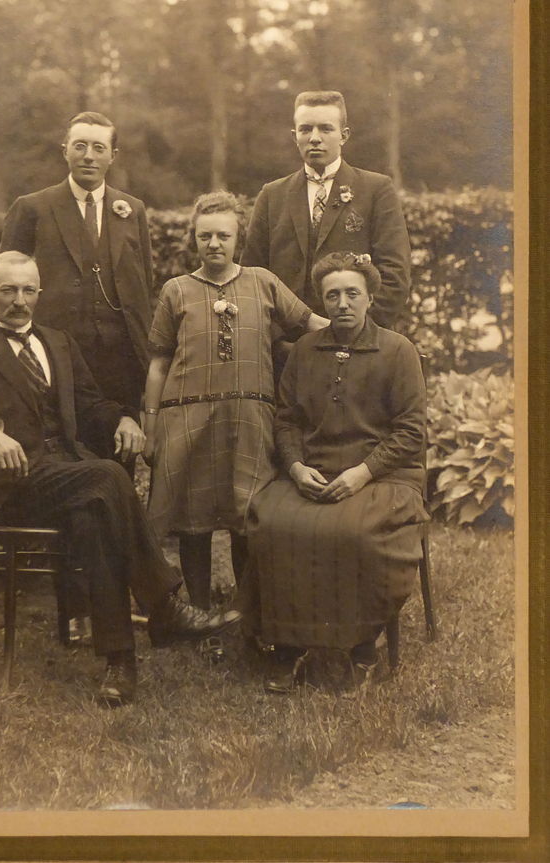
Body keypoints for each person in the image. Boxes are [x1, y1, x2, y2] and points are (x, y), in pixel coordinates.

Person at [0, 252, 236, 707]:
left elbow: (90, 404)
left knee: (96, 514)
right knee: (106, 476)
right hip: (11, 487)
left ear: (40, 294)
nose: (19, 301)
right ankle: (162, 607)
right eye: (7, 291)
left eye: (28, 290)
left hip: (67, 475)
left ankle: (119, 664)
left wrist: (124, 419)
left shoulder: (58, 343)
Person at [243, 251, 429, 693]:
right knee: (271, 522)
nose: (342, 303)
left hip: (385, 474)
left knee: (353, 534)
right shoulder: (306, 350)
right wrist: (294, 466)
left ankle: (362, 647)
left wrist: (364, 473)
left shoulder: (398, 351)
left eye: (352, 294)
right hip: (316, 468)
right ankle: (287, 645)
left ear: (369, 298)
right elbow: (286, 419)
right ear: (322, 302)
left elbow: (410, 432)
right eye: (332, 295)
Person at [142, 192, 329, 614]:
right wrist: (151, 427)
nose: (214, 244)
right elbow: (158, 363)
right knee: (193, 519)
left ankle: (245, 610)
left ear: (238, 237)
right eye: (204, 235)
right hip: (187, 418)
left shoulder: (262, 281)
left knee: (249, 512)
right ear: (193, 238)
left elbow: (310, 323)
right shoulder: (177, 291)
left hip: (249, 418)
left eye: (223, 236)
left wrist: (360, 333)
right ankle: (200, 608)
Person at [241, 90, 411, 375]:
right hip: (287, 355)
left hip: (358, 350)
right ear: (294, 135)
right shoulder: (272, 196)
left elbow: (395, 274)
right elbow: (251, 280)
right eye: (306, 129)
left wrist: (356, 332)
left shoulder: (375, 190)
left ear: (343, 135)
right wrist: (277, 340)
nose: (315, 137)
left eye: (325, 128)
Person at [0, 111, 152, 421]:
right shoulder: (33, 208)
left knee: (120, 452)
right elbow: (5, 284)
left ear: (113, 156)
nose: (88, 156)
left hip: (121, 362)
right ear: (65, 149)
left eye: (99, 148)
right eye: (79, 146)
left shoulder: (131, 210)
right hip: (55, 357)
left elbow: (144, 285)